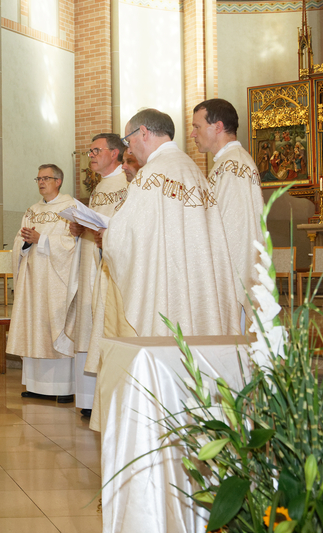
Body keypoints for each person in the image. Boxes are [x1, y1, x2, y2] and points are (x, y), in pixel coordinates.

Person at [96, 110, 240, 421]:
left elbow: (126, 238)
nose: (129, 149)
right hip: (197, 287)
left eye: (129, 140)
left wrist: (108, 234)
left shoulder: (151, 176)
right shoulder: (194, 171)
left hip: (166, 292)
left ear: (143, 132)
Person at [64, 135, 128, 416]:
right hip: (93, 262)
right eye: (89, 151)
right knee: (91, 325)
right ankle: (90, 400)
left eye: (96, 150)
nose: (90, 155)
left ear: (115, 153)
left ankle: (108, 399)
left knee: (107, 323)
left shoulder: (128, 182)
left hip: (113, 266)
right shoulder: (100, 187)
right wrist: (77, 229)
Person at [6, 164, 78, 402]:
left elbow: (73, 244)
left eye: (46, 178)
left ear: (59, 181)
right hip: (32, 280)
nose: (41, 182)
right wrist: (26, 244)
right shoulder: (31, 210)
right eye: (38, 178)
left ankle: (61, 387)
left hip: (56, 281)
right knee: (32, 327)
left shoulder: (71, 208)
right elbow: (19, 240)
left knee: (53, 325)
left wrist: (42, 239)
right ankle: (36, 385)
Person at [190, 98, 264, 319]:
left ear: (218, 127)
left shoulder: (233, 166)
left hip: (231, 281)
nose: (193, 134)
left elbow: (233, 233)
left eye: (197, 126)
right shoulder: (228, 162)